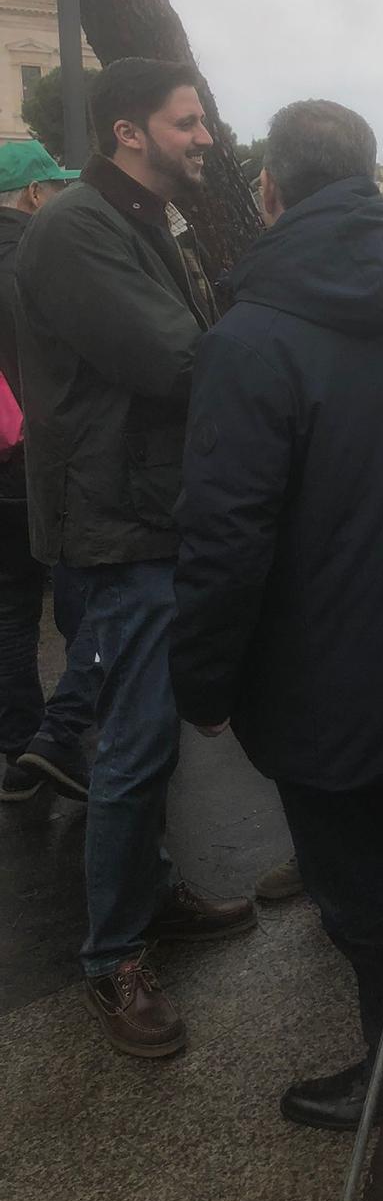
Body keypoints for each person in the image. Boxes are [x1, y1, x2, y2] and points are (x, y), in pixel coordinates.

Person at [170, 99, 383, 1129]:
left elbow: (223, 540)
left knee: (363, 901)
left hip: (321, 683)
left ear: (269, 191)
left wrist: (203, 683)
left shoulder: (250, 337)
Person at [15, 58, 255, 1058]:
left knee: (147, 734)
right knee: (132, 747)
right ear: (128, 131)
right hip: (119, 525)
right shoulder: (78, 229)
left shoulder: (146, 220)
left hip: (153, 512)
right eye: (188, 120)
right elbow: (179, 358)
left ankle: (150, 896)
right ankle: (113, 956)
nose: (206, 137)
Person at [0, 141, 100, 804]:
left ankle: (21, 748)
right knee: (86, 598)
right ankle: (65, 735)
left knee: (8, 608)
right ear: (36, 195)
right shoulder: (33, 263)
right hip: (37, 459)